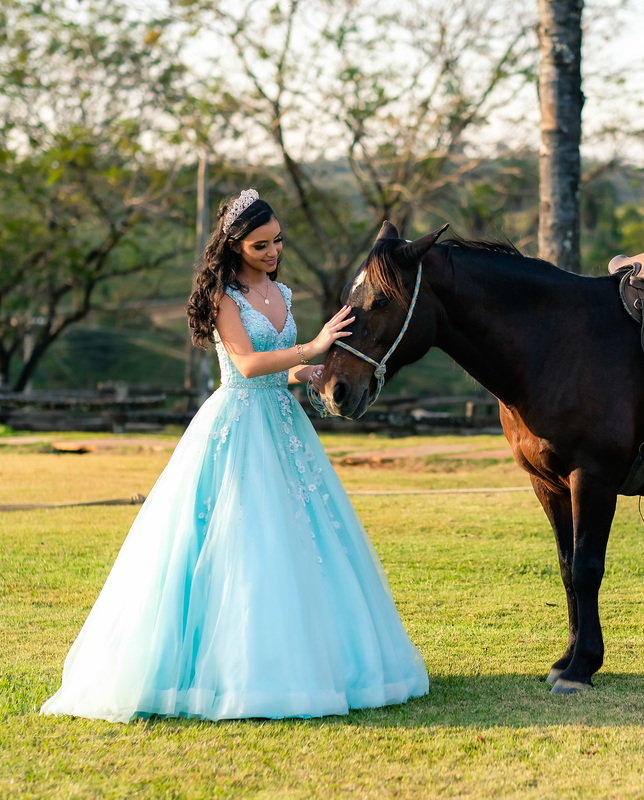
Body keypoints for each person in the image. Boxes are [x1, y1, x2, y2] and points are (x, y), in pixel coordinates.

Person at [41, 189, 429, 722]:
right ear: (235, 245)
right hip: (236, 424)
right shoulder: (224, 297)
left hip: (282, 424)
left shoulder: (282, 292)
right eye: (261, 245)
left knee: (302, 542)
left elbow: (278, 367)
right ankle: (223, 674)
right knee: (235, 540)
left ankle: (314, 663)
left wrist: (307, 372)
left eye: (278, 242)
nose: (273, 252)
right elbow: (246, 364)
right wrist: (313, 347)